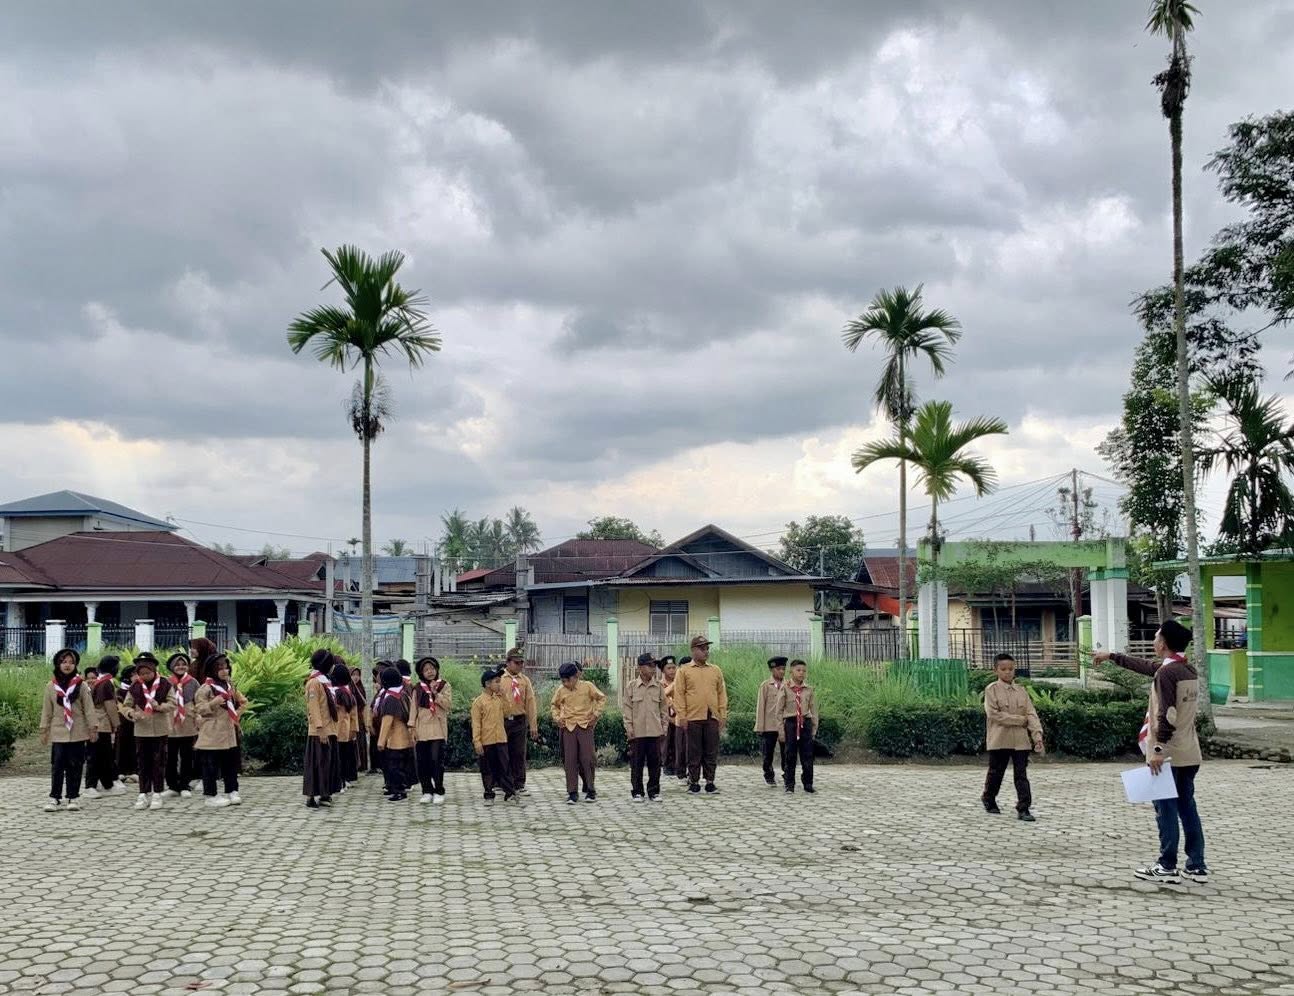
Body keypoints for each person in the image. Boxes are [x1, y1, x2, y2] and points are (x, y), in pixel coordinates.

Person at [1093, 619, 1208, 885]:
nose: (1154, 642)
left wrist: (1157, 750)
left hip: (1168, 754)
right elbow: (1150, 668)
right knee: (1187, 807)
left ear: (1164, 643)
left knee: (1165, 808)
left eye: (1156, 638)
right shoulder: (1185, 669)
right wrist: (1112, 656)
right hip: (1189, 752)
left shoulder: (1168, 674)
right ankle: (1197, 865)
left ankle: (1167, 866)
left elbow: (1166, 715)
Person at [981, 652, 1044, 822]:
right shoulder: (991, 690)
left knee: (1021, 775)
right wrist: (1019, 720)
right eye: (1003, 669)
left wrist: (1037, 735)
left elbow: (1031, 714)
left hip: (1021, 741)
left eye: (1011, 669)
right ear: (996, 670)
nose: (1008, 672)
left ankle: (1023, 808)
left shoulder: (1021, 691)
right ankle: (989, 798)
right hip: (999, 739)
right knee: (996, 773)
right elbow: (994, 714)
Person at [38, 649, 96, 812]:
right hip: (58, 731)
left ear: (75, 664)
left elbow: (89, 708)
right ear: (58, 664)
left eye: (71, 662)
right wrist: (44, 730)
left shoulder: (82, 684)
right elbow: (46, 710)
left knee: (75, 765)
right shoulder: (51, 686)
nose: (67, 665)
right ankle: (54, 797)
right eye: (64, 662)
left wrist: (93, 728)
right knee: (57, 766)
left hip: (78, 731)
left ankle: (73, 797)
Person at [120, 653, 175, 811]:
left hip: (160, 729)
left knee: (159, 762)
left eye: (148, 673)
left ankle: (157, 793)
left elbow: (173, 703)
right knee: (143, 763)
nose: (145, 676)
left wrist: (159, 706)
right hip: (141, 729)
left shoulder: (165, 684)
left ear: (154, 670)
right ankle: (143, 793)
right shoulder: (135, 686)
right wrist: (131, 714)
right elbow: (126, 705)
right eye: (141, 673)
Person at [674, 636, 727, 795]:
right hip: (693, 717)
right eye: (702, 649)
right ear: (693, 651)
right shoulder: (684, 671)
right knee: (694, 751)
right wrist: (682, 716)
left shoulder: (715, 670)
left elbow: (721, 693)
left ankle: (710, 782)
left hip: (712, 716)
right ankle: (694, 782)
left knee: (711, 750)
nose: (706, 652)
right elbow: (679, 695)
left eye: (707, 649)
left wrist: (722, 714)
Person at [551, 661, 607, 805]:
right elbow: (554, 705)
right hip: (568, 727)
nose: (565, 683)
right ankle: (572, 792)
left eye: (567, 680)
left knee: (588, 759)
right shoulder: (561, 690)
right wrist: (557, 718)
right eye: (562, 681)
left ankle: (590, 790)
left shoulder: (587, 686)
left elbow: (601, 698)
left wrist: (595, 715)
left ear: (576, 676)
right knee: (570, 760)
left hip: (584, 726)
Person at [194, 653, 245, 808]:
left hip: (229, 731)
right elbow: (199, 708)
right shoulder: (206, 688)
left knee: (230, 763)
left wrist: (238, 713)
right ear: (211, 670)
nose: (224, 671)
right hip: (212, 732)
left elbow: (240, 702)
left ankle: (232, 790)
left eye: (226, 667)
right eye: (220, 668)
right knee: (210, 765)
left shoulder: (230, 686)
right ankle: (211, 795)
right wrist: (213, 703)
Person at [623, 653, 668, 802]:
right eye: (650, 665)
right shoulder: (631, 687)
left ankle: (654, 791)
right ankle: (637, 791)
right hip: (638, 732)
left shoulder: (659, 687)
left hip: (655, 731)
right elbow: (627, 709)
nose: (653, 668)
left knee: (655, 763)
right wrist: (629, 728)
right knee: (637, 763)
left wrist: (664, 727)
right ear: (640, 668)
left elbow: (663, 709)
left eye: (654, 665)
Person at [471, 667, 516, 805]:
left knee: (505, 766)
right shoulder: (479, 702)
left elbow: (508, 714)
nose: (499, 685)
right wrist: (477, 741)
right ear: (487, 684)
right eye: (496, 682)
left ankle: (510, 794)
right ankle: (489, 794)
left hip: (501, 739)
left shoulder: (499, 699)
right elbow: (476, 724)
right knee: (488, 768)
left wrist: (505, 699)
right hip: (486, 740)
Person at [409, 657, 451, 805]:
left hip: (438, 729)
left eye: (432, 669)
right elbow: (413, 709)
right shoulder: (417, 688)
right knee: (422, 762)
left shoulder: (444, 685)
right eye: (426, 670)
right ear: (421, 673)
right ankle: (427, 790)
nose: (430, 672)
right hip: (422, 730)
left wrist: (435, 694)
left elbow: (447, 705)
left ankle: (439, 790)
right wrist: (412, 727)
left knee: (436, 760)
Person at [499, 648, 540, 796]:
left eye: (521, 662)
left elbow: (530, 703)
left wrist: (533, 725)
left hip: (519, 721)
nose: (520, 665)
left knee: (518, 753)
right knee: (502, 753)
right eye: (516, 663)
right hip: (502, 721)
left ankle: (519, 783)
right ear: (508, 663)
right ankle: (502, 783)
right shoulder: (500, 679)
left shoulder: (525, 680)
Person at [777, 660, 819, 794]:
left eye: (804, 671)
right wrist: (780, 731)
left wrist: (814, 727)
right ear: (791, 672)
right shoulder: (785, 688)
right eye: (798, 670)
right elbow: (778, 711)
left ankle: (808, 782)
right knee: (790, 755)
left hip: (805, 723)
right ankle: (789, 784)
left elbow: (814, 710)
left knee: (807, 755)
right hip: (791, 723)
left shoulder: (809, 690)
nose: (801, 673)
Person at [303, 652, 339, 809]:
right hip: (319, 731)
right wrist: (320, 728)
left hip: (330, 729)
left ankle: (325, 794)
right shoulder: (314, 683)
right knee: (316, 764)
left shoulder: (326, 681)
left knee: (327, 764)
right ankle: (311, 796)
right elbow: (314, 707)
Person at [85, 655, 123, 797]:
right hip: (101, 723)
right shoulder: (106, 683)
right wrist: (116, 724)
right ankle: (91, 785)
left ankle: (107, 784)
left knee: (103, 756)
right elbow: (110, 706)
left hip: (98, 723)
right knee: (97, 756)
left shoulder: (99, 681)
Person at [376, 666, 414, 803]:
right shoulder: (403, 694)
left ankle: (399, 791)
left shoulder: (391, 698)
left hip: (395, 739)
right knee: (401, 765)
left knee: (394, 766)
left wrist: (381, 741)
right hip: (406, 737)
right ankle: (397, 788)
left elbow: (387, 721)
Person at [164, 652, 199, 799]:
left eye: (183, 664)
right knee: (170, 757)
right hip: (170, 724)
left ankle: (185, 785)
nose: (181, 667)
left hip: (187, 723)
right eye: (177, 664)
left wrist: (197, 715)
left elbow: (199, 701)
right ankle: (172, 785)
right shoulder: (165, 682)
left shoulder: (193, 682)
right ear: (172, 667)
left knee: (187, 756)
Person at [755, 656, 788, 787]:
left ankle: (787, 774)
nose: (781, 672)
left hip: (785, 726)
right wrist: (760, 726)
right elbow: (761, 706)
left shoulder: (788, 685)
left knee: (787, 752)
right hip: (769, 726)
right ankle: (768, 774)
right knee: (768, 753)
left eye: (783, 669)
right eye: (779, 669)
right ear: (772, 670)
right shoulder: (765, 686)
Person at [331, 659, 359, 791]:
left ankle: (339, 783)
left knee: (336, 759)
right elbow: (354, 715)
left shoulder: (333, 693)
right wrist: (354, 730)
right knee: (345, 757)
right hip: (346, 731)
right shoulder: (349, 694)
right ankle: (344, 781)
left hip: (334, 731)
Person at [115, 664, 138, 783]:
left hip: (137, 722)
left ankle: (134, 771)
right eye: (134, 674)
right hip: (123, 722)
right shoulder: (121, 691)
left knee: (135, 746)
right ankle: (121, 771)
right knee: (122, 746)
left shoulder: (140, 688)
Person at [671, 656, 691, 783]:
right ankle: (681, 773)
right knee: (681, 749)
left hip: (694, 720)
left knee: (692, 749)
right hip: (680, 721)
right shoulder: (677, 681)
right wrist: (673, 705)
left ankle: (691, 773)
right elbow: (665, 693)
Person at [657, 656, 678, 776]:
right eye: (669, 668)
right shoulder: (659, 685)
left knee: (678, 743)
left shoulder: (679, 684)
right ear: (663, 670)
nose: (672, 670)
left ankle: (677, 765)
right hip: (665, 719)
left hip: (678, 718)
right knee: (665, 743)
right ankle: (666, 765)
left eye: (674, 667)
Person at [350, 666, 370, 775]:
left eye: (357, 675)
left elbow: (364, 704)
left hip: (360, 718)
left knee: (361, 741)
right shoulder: (349, 688)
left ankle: (362, 764)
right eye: (353, 675)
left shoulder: (360, 688)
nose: (356, 677)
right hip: (352, 718)